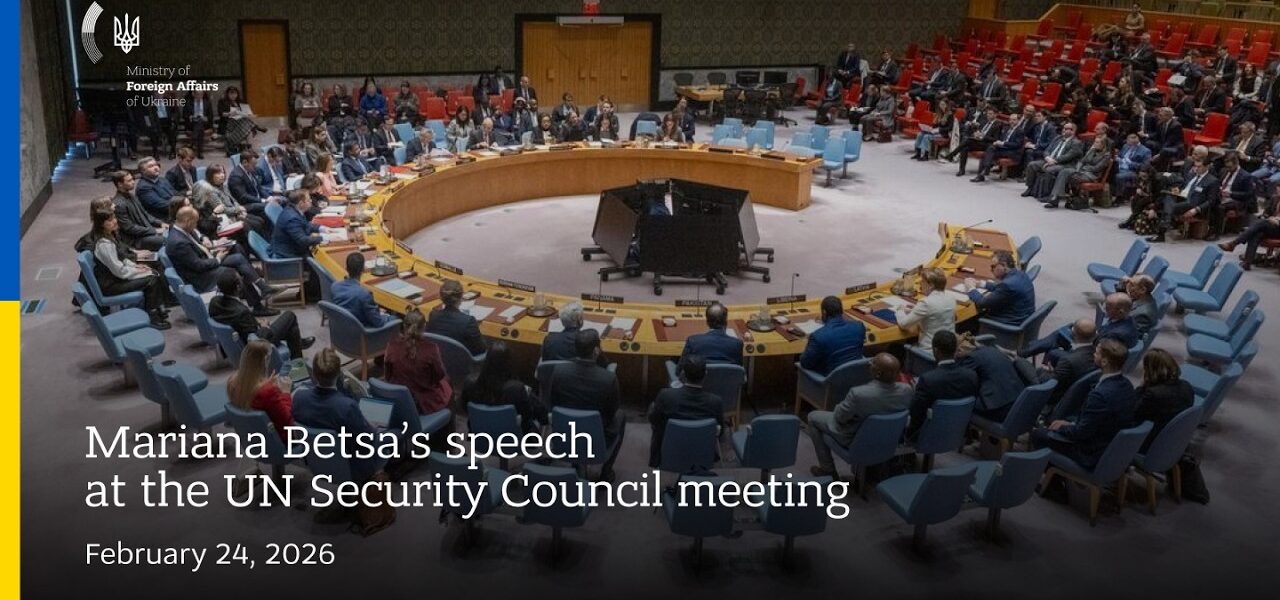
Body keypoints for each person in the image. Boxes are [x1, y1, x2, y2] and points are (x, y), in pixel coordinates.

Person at [1032, 339, 1138, 469]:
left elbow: (1081, 433)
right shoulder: (1127, 385)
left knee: (1039, 434)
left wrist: (1062, 428)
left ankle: (1054, 477)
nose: (1093, 354)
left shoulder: (1099, 395)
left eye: (1097, 353)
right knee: (1068, 420)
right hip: (1109, 444)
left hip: (1091, 453)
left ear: (1104, 361)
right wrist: (1071, 424)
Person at [808, 353, 913, 476]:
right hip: (888, 439)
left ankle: (828, 470)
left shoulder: (859, 394)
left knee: (813, 417)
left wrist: (839, 406)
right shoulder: (907, 390)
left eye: (872, 363)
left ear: (878, 373)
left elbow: (840, 417)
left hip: (854, 438)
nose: (869, 364)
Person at [292, 348, 383, 489]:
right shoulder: (346, 407)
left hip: (316, 463)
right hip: (352, 466)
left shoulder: (298, 398)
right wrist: (373, 427)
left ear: (314, 373)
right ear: (339, 373)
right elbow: (367, 439)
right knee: (389, 432)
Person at [544, 329, 624, 481]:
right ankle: (606, 472)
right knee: (620, 416)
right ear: (596, 350)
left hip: (566, 433)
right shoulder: (608, 378)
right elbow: (611, 412)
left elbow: (553, 403)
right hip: (595, 437)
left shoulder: (559, 371)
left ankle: (576, 462)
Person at [88, 209, 171, 329]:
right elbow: (120, 271)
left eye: (114, 218)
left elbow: (121, 258)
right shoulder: (104, 245)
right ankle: (153, 317)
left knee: (152, 270)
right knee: (151, 279)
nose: (115, 221)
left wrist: (135, 266)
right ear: (101, 224)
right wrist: (138, 272)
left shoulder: (111, 236)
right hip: (111, 285)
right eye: (110, 220)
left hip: (117, 276)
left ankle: (158, 307)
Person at [208, 270, 314, 359]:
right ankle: (298, 367)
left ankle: (299, 350)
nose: (243, 279)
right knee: (290, 316)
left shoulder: (214, 302)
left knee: (292, 330)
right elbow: (257, 340)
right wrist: (264, 326)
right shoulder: (242, 312)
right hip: (256, 348)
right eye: (240, 279)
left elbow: (236, 321)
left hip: (237, 341)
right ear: (238, 287)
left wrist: (254, 322)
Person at [648, 354, 726, 468]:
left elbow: (654, 420)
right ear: (705, 374)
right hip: (702, 454)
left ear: (683, 374)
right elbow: (721, 432)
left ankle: (657, 461)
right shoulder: (715, 402)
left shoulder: (665, 396)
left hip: (670, 450)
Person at [907, 331, 979, 439]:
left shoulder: (928, 380)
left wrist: (915, 392)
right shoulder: (971, 375)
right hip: (958, 433)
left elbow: (916, 414)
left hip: (929, 435)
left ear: (935, 351)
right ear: (956, 349)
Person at [462, 340, 545, 433]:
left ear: (486, 360)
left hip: (480, 434)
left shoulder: (469, 383)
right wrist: (528, 394)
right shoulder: (517, 389)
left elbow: (465, 409)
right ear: (509, 363)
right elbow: (531, 415)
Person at [383, 310, 453, 416]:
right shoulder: (431, 349)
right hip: (425, 400)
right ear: (424, 326)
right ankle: (449, 423)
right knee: (448, 385)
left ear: (404, 326)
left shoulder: (391, 346)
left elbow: (388, 375)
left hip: (399, 397)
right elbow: (439, 375)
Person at [228, 339, 294, 439]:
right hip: (282, 439)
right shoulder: (267, 392)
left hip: (254, 434)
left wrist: (266, 383)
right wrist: (286, 393)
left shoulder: (232, 382)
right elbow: (288, 422)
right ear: (265, 360)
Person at [1132, 349, 1195, 451]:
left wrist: (1140, 387)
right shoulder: (1186, 386)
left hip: (1149, 442)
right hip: (1174, 439)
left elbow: (1133, 412)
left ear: (1149, 371)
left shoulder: (1153, 394)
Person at [192, 164, 268, 240]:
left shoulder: (223, 186)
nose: (222, 175)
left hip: (234, 213)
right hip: (225, 220)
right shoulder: (211, 192)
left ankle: (263, 243)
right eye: (218, 173)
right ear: (210, 175)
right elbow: (223, 210)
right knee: (254, 224)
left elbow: (233, 200)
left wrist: (239, 210)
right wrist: (237, 211)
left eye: (223, 172)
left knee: (259, 220)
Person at [1152, 156, 1219, 243]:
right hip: (1181, 198)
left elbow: (1211, 201)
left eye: (1199, 167)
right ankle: (1162, 227)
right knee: (1166, 196)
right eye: (1195, 166)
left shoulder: (1212, 181)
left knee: (1169, 205)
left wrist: (1196, 209)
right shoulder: (1191, 175)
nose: (1196, 169)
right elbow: (1184, 187)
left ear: (1207, 167)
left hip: (1193, 203)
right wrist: (1178, 190)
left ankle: (1161, 232)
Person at [799, 296, 866, 375]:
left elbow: (805, 363)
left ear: (824, 312)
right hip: (857, 374)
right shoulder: (859, 327)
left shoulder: (818, 336)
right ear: (841, 311)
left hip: (830, 379)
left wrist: (809, 342)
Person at [960, 342, 1027, 421]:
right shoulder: (993, 349)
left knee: (962, 403)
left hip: (999, 409)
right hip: (1018, 402)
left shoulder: (972, 357)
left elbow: (961, 378)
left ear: (961, 349)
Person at [966, 250, 1035, 326]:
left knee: (968, 322)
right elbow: (1001, 288)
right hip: (1022, 318)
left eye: (993, 266)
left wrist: (971, 288)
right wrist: (982, 284)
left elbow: (982, 303)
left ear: (1004, 265)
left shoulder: (1007, 285)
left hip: (1009, 324)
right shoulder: (1020, 274)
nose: (991, 270)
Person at [1042, 135, 1112, 208]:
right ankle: (1056, 197)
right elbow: (1082, 161)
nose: (1094, 144)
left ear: (1103, 145)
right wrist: (1078, 169)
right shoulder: (1092, 150)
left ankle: (1055, 199)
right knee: (1064, 171)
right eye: (1094, 142)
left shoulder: (1106, 156)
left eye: (1097, 142)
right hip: (1080, 171)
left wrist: (1083, 168)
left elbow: (1096, 168)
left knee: (1066, 175)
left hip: (1091, 175)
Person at [1218, 187, 1280, 270]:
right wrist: (1267, 217)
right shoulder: (1275, 198)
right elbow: (1266, 213)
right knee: (1257, 233)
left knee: (1260, 225)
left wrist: (1277, 220)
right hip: (1270, 225)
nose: (1278, 191)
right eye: (1278, 189)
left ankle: (1234, 244)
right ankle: (1247, 263)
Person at [896, 268, 955, 349]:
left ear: (931, 285)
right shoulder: (951, 297)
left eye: (922, 281)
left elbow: (904, 324)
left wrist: (899, 310)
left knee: (896, 347)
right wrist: (915, 310)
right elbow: (935, 313)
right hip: (949, 349)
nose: (920, 283)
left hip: (930, 350)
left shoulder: (926, 303)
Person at [971, 105, 1033, 182]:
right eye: (1010, 120)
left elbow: (1017, 145)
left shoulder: (1020, 131)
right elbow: (1001, 139)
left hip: (1012, 152)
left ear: (1018, 121)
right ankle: (982, 174)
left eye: (1014, 120)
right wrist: (997, 142)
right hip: (1003, 149)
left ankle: (985, 170)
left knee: (990, 151)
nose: (1012, 121)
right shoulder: (1006, 128)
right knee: (989, 149)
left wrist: (1003, 143)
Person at [1022, 122, 1083, 199]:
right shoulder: (1057, 138)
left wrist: (1054, 161)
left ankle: (1047, 194)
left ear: (1073, 131)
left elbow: (1068, 156)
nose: (1063, 130)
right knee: (1032, 165)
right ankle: (1030, 188)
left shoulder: (1076, 143)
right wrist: (1047, 158)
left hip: (1064, 164)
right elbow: (1047, 150)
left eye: (1066, 129)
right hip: (1049, 160)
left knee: (1049, 170)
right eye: (1063, 128)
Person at [109, 170, 166, 251]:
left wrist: (160, 223)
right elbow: (129, 228)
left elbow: (145, 214)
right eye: (129, 181)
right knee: (165, 240)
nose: (133, 182)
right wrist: (154, 230)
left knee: (172, 230)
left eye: (132, 179)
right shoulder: (118, 204)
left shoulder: (132, 196)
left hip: (145, 230)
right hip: (135, 239)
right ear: (120, 184)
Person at [941, 105, 1004, 177]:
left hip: (986, 144)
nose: (988, 115)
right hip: (978, 141)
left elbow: (995, 139)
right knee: (965, 148)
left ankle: (952, 155)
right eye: (988, 113)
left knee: (967, 140)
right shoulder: (984, 121)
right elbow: (979, 130)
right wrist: (976, 133)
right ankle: (961, 170)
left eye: (990, 114)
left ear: (995, 115)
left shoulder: (998, 124)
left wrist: (983, 136)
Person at [426, 279, 485, 355]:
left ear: (441, 297)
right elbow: (481, 349)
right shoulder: (468, 321)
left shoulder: (433, 315)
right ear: (461, 297)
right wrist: (474, 327)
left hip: (439, 358)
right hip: (461, 360)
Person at [332, 252, 390, 328]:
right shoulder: (364, 294)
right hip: (362, 329)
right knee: (395, 318)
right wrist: (385, 316)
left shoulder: (335, 286)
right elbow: (378, 322)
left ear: (346, 268)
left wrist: (376, 311)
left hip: (342, 326)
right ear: (363, 270)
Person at [678, 302, 743, 368]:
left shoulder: (693, 341)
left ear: (707, 322)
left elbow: (680, 369)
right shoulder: (737, 344)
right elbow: (739, 369)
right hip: (728, 375)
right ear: (726, 322)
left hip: (701, 375)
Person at [270, 189, 323, 261]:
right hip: (287, 255)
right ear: (301, 203)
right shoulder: (292, 218)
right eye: (308, 200)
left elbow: (306, 225)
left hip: (291, 248)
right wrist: (325, 238)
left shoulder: (294, 210)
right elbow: (303, 241)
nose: (311, 201)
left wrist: (321, 228)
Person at [217, 86, 266, 154]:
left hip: (240, 124)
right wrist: (230, 113)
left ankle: (250, 148)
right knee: (246, 123)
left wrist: (250, 115)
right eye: (231, 94)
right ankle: (255, 127)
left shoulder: (240, 101)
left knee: (245, 120)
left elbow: (245, 112)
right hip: (227, 124)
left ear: (237, 94)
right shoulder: (222, 101)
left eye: (235, 94)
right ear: (227, 94)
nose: (233, 95)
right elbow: (221, 114)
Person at [135, 157, 183, 222]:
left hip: (174, 211)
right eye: (151, 166)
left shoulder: (162, 179)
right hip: (162, 218)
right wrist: (182, 203)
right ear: (143, 171)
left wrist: (184, 199)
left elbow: (175, 193)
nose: (156, 168)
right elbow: (161, 205)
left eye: (156, 164)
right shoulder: (143, 188)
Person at [228, 150, 272, 219]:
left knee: (277, 201)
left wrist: (268, 197)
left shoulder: (250, 170)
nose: (255, 167)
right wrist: (262, 200)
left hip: (257, 200)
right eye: (253, 164)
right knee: (270, 206)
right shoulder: (236, 176)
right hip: (246, 205)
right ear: (245, 162)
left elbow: (259, 188)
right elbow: (243, 197)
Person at [1115, 132, 1153, 202]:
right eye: (1127, 143)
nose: (1128, 145)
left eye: (1129, 144)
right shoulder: (1125, 146)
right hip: (1120, 166)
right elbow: (1120, 156)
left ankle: (1119, 197)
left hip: (1133, 171)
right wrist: (1117, 158)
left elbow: (1145, 166)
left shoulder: (1146, 151)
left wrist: (1131, 163)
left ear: (1135, 142)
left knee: (1119, 176)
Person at [184, 89, 215, 159]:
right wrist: (190, 117)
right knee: (199, 127)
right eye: (197, 94)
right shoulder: (188, 103)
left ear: (203, 94)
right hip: (192, 123)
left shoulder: (207, 103)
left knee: (200, 123)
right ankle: (200, 152)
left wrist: (206, 118)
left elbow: (211, 116)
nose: (199, 96)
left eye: (201, 94)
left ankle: (193, 140)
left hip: (204, 123)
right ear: (193, 94)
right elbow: (185, 115)